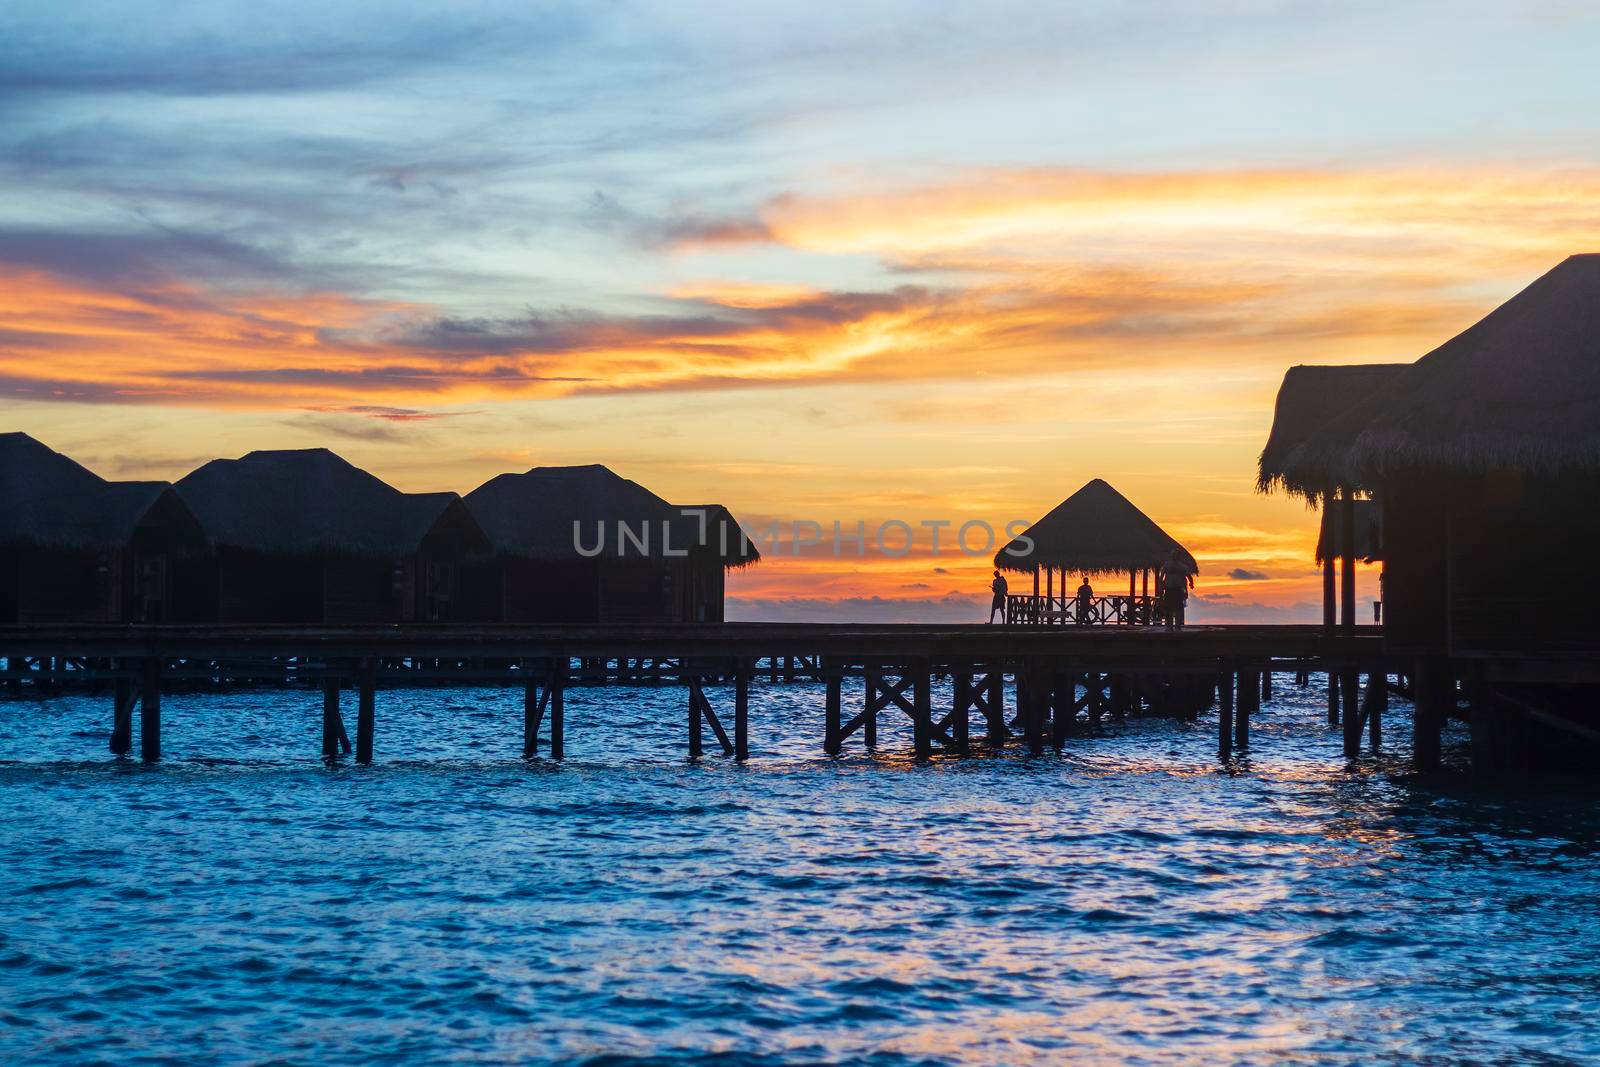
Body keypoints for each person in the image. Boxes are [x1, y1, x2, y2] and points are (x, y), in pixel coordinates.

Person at [1160, 551, 1193, 631]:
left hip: (1178, 589)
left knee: (1178, 608)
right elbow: (1162, 576)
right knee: (1169, 609)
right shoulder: (1167, 565)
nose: (1175, 557)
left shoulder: (1182, 567)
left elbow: (1188, 577)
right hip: (1169, 588)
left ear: (1179, 557)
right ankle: (1169, 626)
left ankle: (1177, 626)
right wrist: (1160, 587)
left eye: (1177, 555)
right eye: (1174, 555)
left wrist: (1191, 584)